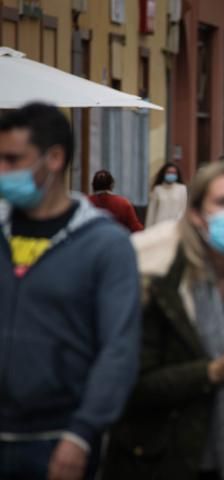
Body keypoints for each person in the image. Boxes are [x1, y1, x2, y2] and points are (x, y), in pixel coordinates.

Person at [102, 161, 224, 480]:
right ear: (196, 213)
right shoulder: (160, 277)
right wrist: (213, 372)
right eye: (223, 202)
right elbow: (133, 382)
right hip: (165, 453)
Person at [0, 103, 140, 479]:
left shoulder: (104, 245)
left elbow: (119, 348)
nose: (2, 171)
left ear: (56, 158)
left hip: (59, 443)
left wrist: (82, 433)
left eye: (13, 159)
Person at [145, 162, 187, 227]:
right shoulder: (157, 189)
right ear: (164, 174)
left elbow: (184, 210)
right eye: (169, 172)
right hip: (159, 227)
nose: (171, 174)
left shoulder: (182, 189)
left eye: (173, 173)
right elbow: (151, 213)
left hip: (175, 226)